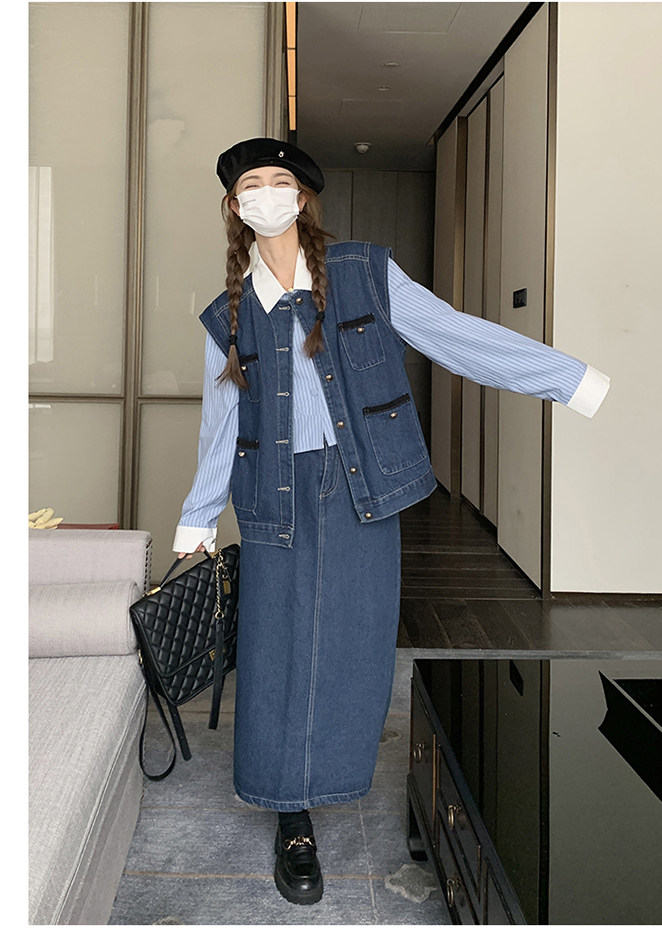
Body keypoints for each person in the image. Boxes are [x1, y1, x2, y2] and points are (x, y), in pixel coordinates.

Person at [173, 137, 610, 906]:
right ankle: (290, 815)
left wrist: (566, 379)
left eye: (279, 181)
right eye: (251, 186)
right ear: (234, 207)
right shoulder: (227, 313)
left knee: (353, 642)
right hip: (272, 493)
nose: (266, 194)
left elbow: (454, 336)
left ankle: (332, 777)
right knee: (273, 649)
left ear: (302, 197)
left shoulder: (363, 272)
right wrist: (197, 515)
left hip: (360, 485)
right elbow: (221, 424)